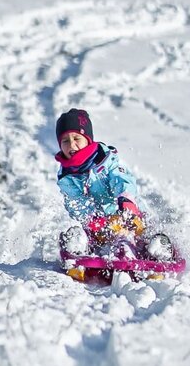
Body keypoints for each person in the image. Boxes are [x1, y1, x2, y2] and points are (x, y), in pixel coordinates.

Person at [55, 108, 172, 260]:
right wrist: (93, 219)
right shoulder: (67, 177)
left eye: (77, 138)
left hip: (129, 217)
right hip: (99, 227)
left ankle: (158, 250)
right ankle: (77, 249)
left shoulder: (107, 160)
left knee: (144, 233)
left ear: (87, 139)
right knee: (81, 236)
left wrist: (126, 201)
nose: (71, 145)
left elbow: (121, 179)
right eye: (65, 141)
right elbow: (75, 203)